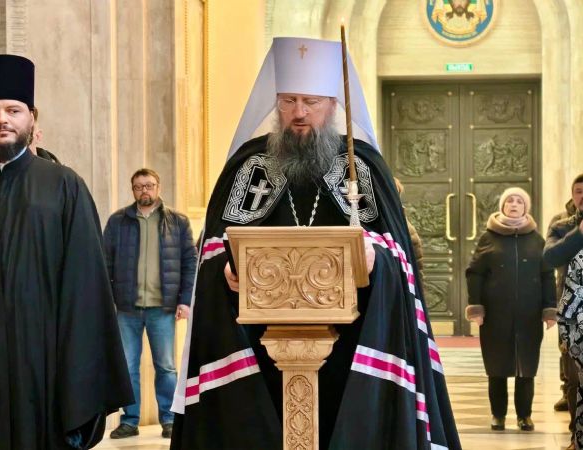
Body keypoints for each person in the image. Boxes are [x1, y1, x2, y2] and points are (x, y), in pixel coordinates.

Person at [169, 37, 461, 450]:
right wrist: (227, 269)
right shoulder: (250, 166)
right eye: (288, 101)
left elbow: (399, 257)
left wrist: (374, 258)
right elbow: (215, 249)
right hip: (258, 349)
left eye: (311, 101)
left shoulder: (361, 165)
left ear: (333, 104)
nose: (299, 113)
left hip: (351, 346)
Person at [0, 54, 133, 449]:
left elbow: (86, 289)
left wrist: (77, 386)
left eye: (13, 110)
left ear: (32, 119)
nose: (2, 119)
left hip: (45, 367)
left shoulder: (64, 186)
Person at [103, 168, 197, 439]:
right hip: (127, 309)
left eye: (149, 185)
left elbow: (190, 264)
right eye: (139, 186)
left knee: (166, 367)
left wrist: (185, 301)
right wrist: (107, 302)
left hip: (163, 308)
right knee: (127, 367)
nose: (144, 190)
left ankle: (169, 419)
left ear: (158, 187)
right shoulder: (117, 221)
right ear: (132, 190)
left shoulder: (178, 222)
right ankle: (129, 420)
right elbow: (104, 262)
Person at [465, 187, 556, 432]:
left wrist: (549, 308)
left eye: (519, 201)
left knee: (526, 366)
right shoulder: (488, 238)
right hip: (495, 314)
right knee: (497, 365)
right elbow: (475, 274)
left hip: (529, 314)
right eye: (510, 201)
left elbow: (547, 275)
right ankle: (498, 415)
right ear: (502, 206)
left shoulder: (536, 240)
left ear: (526, 208)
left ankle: (524, 416)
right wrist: (476, 307)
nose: (514, 204)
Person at [544, 174, 583, 450]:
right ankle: (576, 437)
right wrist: (579, 233)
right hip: (572, 315)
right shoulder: (561, 226)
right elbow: (550, 257)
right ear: (572, 195)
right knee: (574, 378)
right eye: (579, 191)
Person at [550, 198, 578, 416]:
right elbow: (551, 256)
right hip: (569, 295)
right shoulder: (560, 221)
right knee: (567, 349)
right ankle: (567, 389)